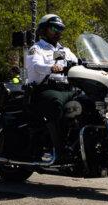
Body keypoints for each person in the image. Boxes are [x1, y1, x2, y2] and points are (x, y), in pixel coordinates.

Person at [24, 14, 78, 163]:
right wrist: (52, 67)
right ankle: (58, 150)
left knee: (87, 103)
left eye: (60, 29)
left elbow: (78, 62)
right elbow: (36, 66)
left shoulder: (65, 50)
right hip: (44, 90)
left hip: (67, 89)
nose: (58, 32)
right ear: (44, 30)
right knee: (56, 104)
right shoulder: (36, 48)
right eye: (54, 28)